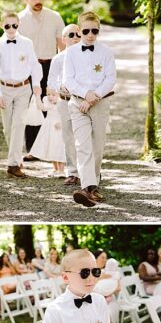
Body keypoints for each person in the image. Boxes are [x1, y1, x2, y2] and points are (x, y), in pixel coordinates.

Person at [63, 11, 115, 207]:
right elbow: (68, 79)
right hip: (78, 103)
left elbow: (110, 79)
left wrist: (94, 97)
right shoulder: (71, 52)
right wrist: (85, 95)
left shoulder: (106, 52)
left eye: (95, 31)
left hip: (100, 103)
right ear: (79, 30)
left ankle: (93, 183)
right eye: (86, 31)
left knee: (97, 146)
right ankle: (89, 188)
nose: (90, 35)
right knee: (82, 146)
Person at [0, 10, 44, 178]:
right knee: (8, 128)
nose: (11, 28)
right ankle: (16, 157)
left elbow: (35, 65)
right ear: (2, 25)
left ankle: (12, 165)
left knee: (19, 123)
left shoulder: (26, 43)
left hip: (23, 88)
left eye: (14, 25)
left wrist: (36, 85)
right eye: (7, 25)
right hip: (5, 89)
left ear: (18, 24)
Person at [17, 0, 66, 105]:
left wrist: (62, 70)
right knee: (27, 105)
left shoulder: (55, 17)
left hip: (50, 66)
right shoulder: (18, 20)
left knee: (49, 105)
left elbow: (63, 46)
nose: (38, 1)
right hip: (27, 67)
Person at [48, 24, 81, 186]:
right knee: (68, 138)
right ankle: (73, 172)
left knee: (85, 137)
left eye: (78, 34)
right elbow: (51, 80)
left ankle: (90, 172)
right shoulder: (58, 58)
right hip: (65, 101)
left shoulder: (87, 57)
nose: (75, 37)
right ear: (64, 39)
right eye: (71, 35)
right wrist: (59, 86)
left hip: (83, 102)